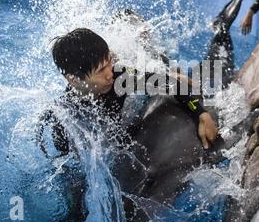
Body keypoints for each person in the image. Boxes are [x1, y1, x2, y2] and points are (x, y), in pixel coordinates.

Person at [40, 28, 217, 155]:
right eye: (101, 71)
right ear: (73, 79)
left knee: (167, 76)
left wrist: (202, 114)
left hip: (129, 100)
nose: (109, 75)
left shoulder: (119, 77)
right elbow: (64, 158)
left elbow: (170, 84)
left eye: (109, 62)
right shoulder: (64, 114)